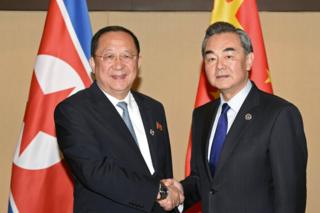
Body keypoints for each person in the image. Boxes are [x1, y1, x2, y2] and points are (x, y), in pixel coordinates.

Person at [164, 22, 308, 213]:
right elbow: (205, 181)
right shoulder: (202, 115)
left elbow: (290, 199)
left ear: (249, 60)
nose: (220, 66)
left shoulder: (279, 114)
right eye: (211, 59)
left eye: (229, 56)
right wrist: (180, 190)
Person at [54, 26, 183, 213]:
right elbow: (95, 172)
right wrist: (159, 191)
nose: (119, 64)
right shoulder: (73, 110)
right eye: (109, 56)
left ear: (138, 62)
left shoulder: (154, 109)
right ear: (92, 63)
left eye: (127, 56)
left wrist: (171, 194)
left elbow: (164, 172)